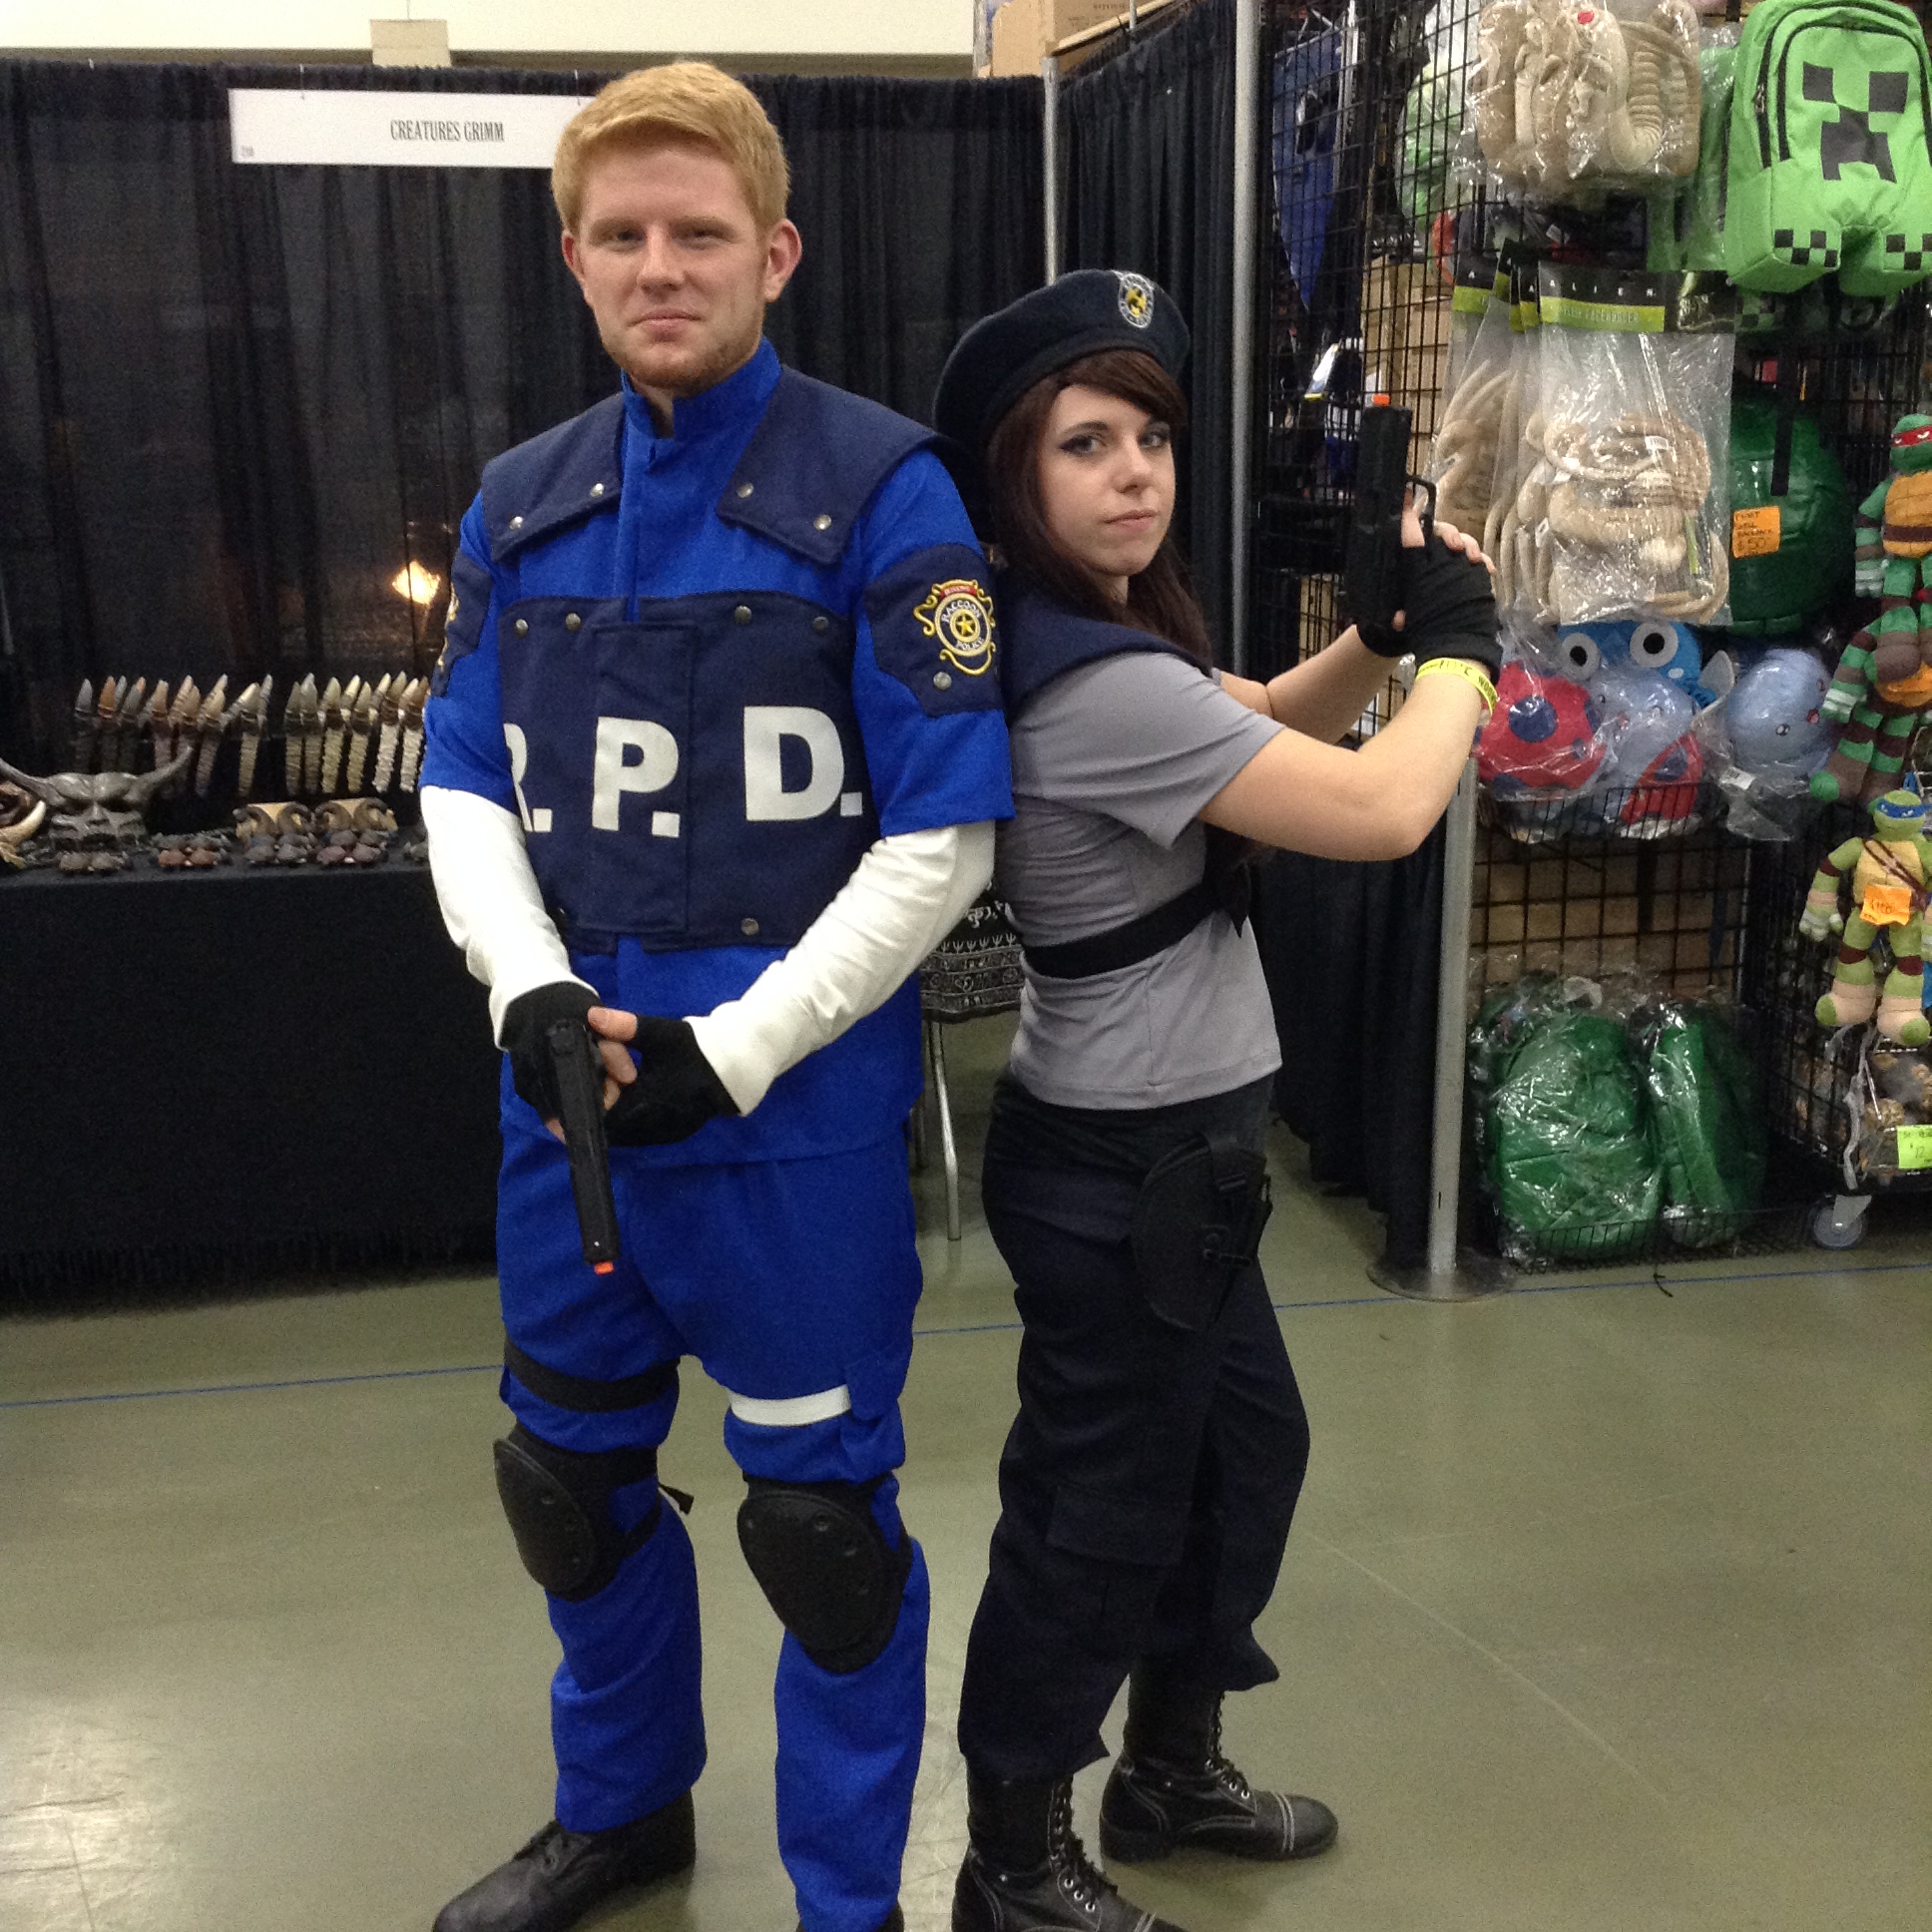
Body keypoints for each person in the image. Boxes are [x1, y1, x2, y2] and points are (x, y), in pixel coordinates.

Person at [418, 64, 1012, 1932]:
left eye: (698, 233)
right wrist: (527, 988)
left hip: (789, 1129)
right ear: (575, 261)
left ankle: (849, 1903)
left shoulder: (887, 491)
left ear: (777, 252)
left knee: (823, 1538)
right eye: (621, 235)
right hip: (572, 1109)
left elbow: (944, 842)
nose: (658, 266)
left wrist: (737, 1047)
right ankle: (623, 1814)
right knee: (568, 1482)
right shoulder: (519, 507)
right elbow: (460, 778)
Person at [929, 270, 1500, 1932]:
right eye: (1084, 443)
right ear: (1012, 477)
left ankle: (1169, 1769)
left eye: (1153, 438)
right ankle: (1014, 1859)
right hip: (1121, 1171)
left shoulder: (1114, 645)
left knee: (1243, 1455)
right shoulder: (1091, 683)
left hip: (1178, 1165)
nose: (1135, 472)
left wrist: (1378, 637)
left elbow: (1257, 720)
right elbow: (1384, 811)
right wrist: (1464, 658)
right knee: (1096, 1516)